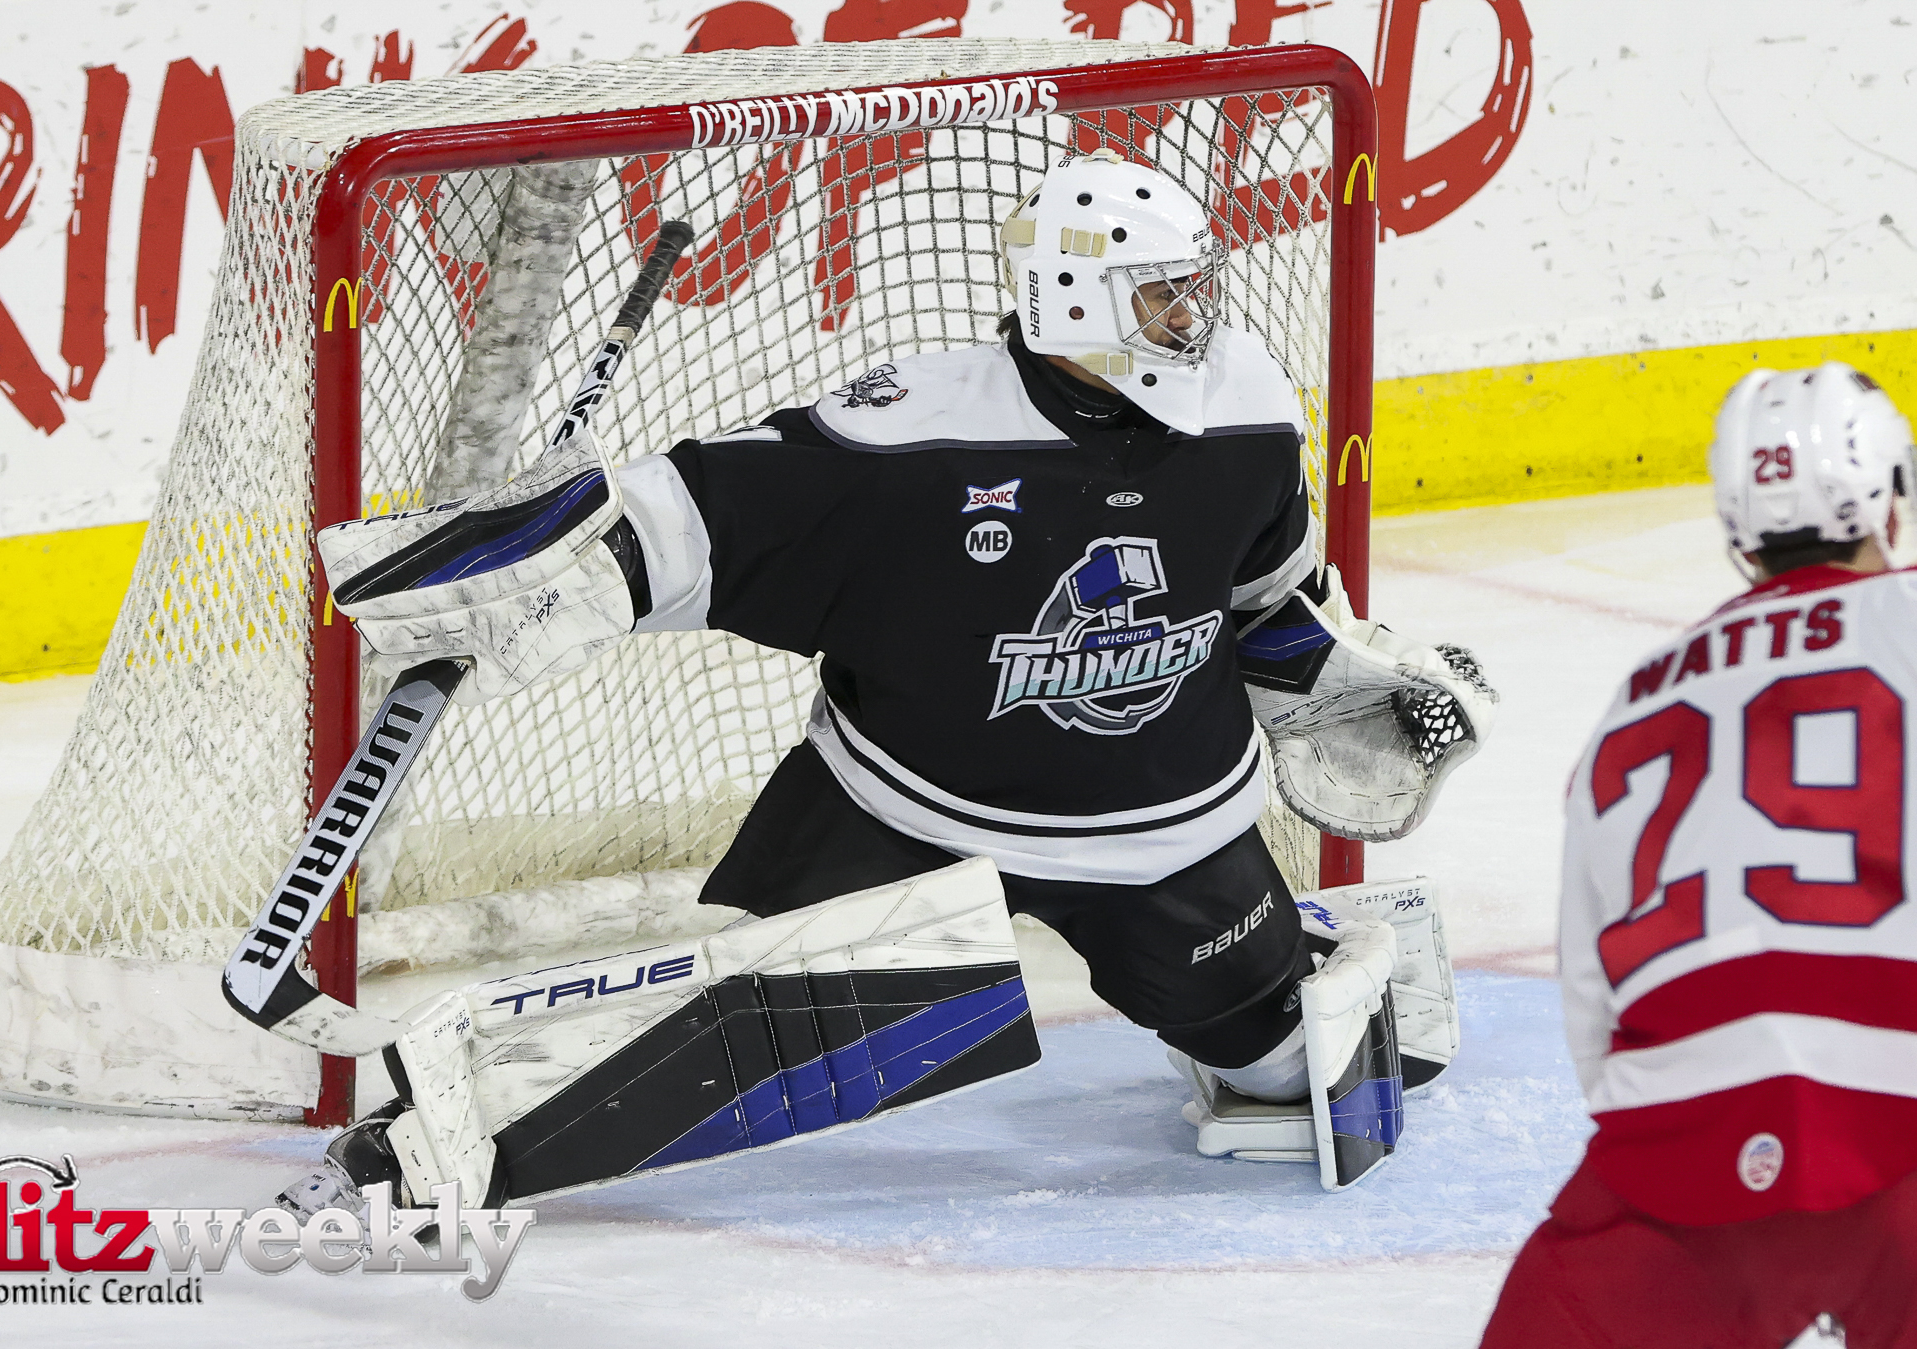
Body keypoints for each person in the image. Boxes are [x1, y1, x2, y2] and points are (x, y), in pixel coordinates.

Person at [294, 150, 1493, 1210]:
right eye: (1160, 292)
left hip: (1161, 833)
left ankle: (1305, 945)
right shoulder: (911, 436)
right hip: (904, 814)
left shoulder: (1243, 408)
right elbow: (708, 510)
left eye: (1193, 285)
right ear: (1073, 296)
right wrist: (547, 554)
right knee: (733, 1045)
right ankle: (443, 1135)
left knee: (1297, 1070)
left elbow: (1266, 603)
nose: (1194, 316)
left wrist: (1352, 684)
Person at [1480, 363, 1917, 1347]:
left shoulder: (1636, 693)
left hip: (1676, 1149)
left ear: (1738, 529)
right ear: (1886, 501)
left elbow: (1592, 1007)